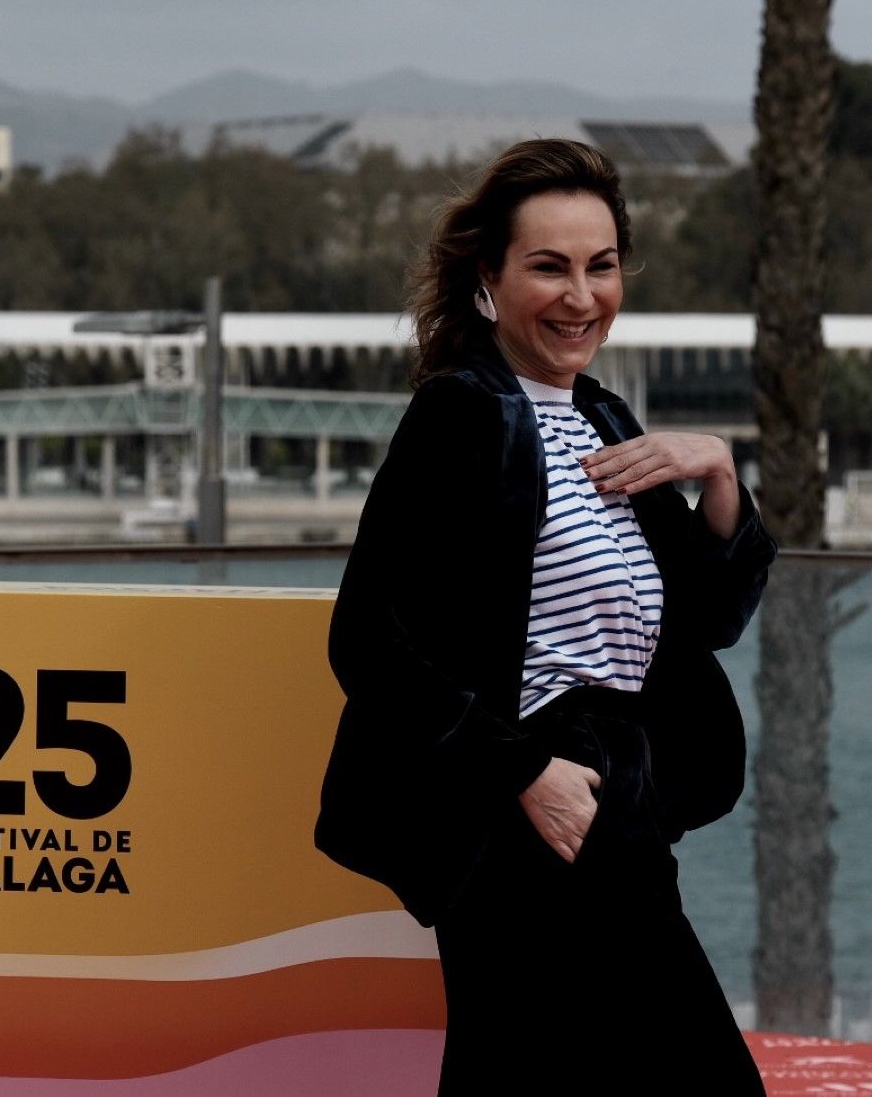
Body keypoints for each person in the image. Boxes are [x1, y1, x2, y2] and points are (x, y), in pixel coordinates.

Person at [314, 138, 775, 1096]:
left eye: (601, 266)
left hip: (617, 806)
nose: (580, 296)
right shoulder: (462, 414)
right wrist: (523, 771)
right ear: (489, 279)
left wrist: (720, 472)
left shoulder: (607, 420)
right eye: (549, 267)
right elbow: (364, 636)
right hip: (520, 811)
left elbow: (709, 618)